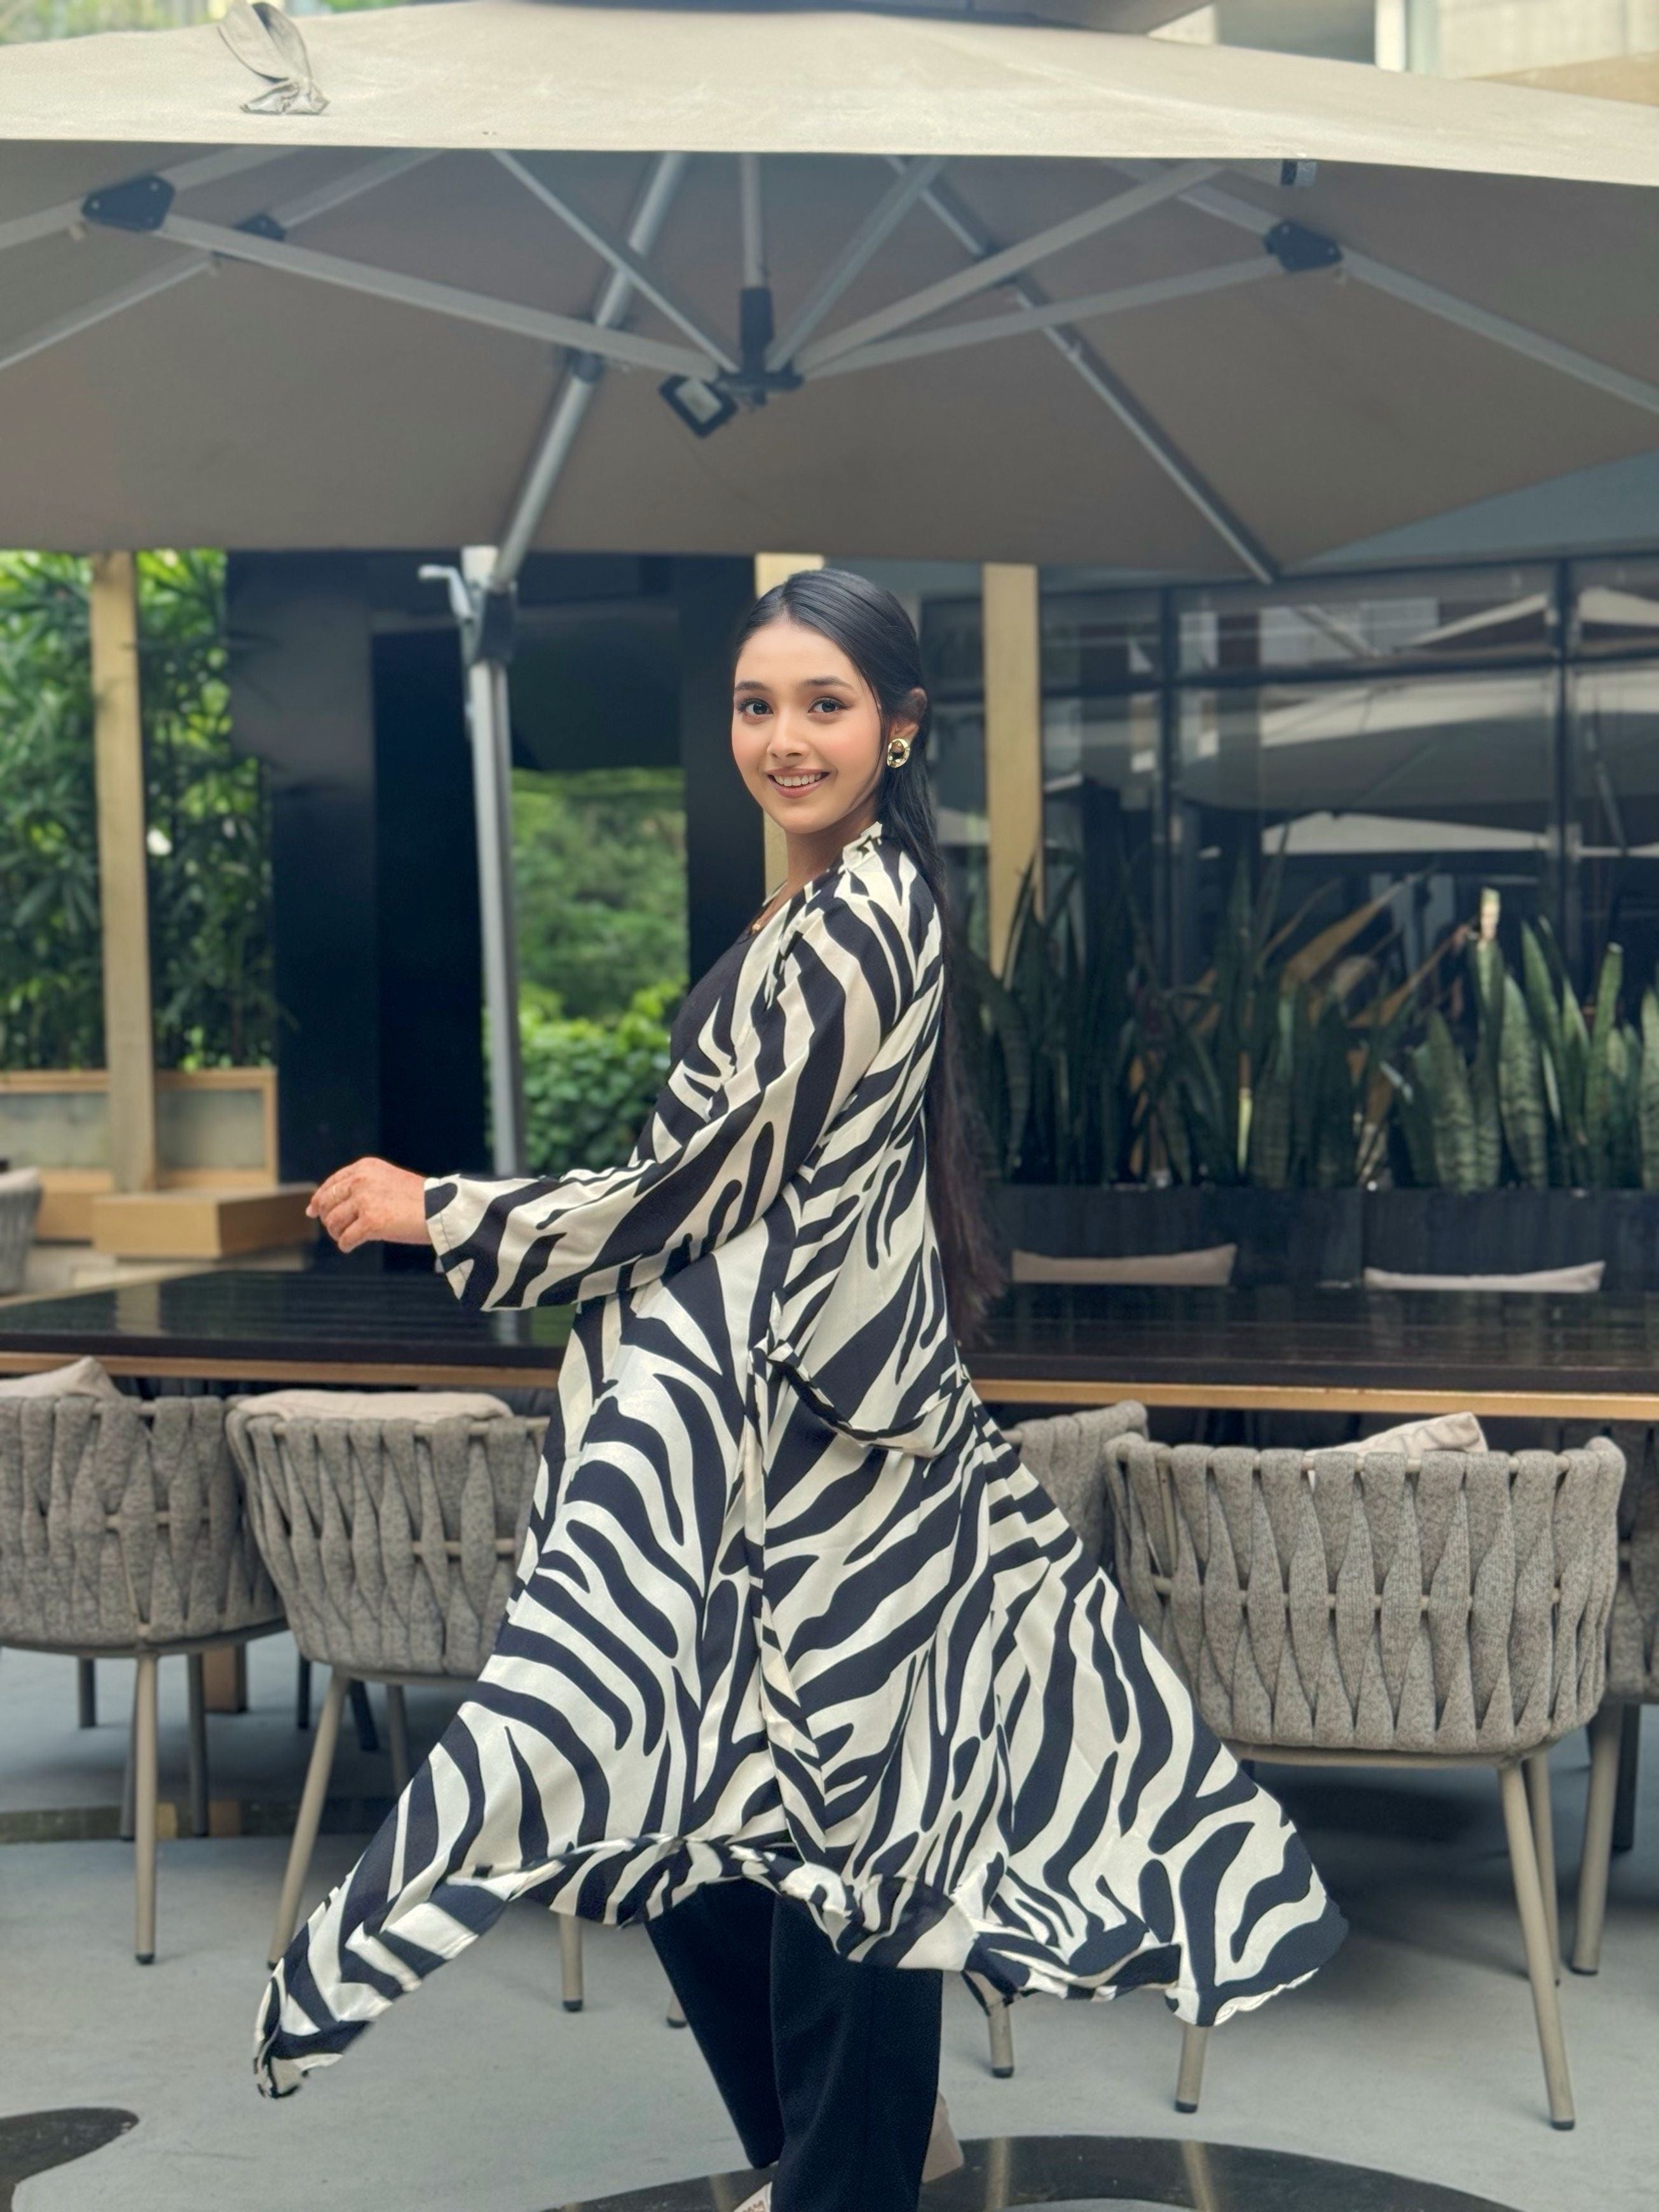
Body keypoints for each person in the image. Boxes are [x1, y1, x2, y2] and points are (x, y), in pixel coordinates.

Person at [254, 571, 1344, 2212]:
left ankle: (846, 2178)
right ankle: (845, 2158)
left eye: (822, 705)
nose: (782, 738)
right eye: (757, 706)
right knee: (711, 1824)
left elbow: (689, 1187)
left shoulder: (864, 921)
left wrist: (443, 1208)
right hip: (767, 1464)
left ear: (900, 725)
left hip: (841, 1469)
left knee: (842, 1850)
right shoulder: (804, 910)